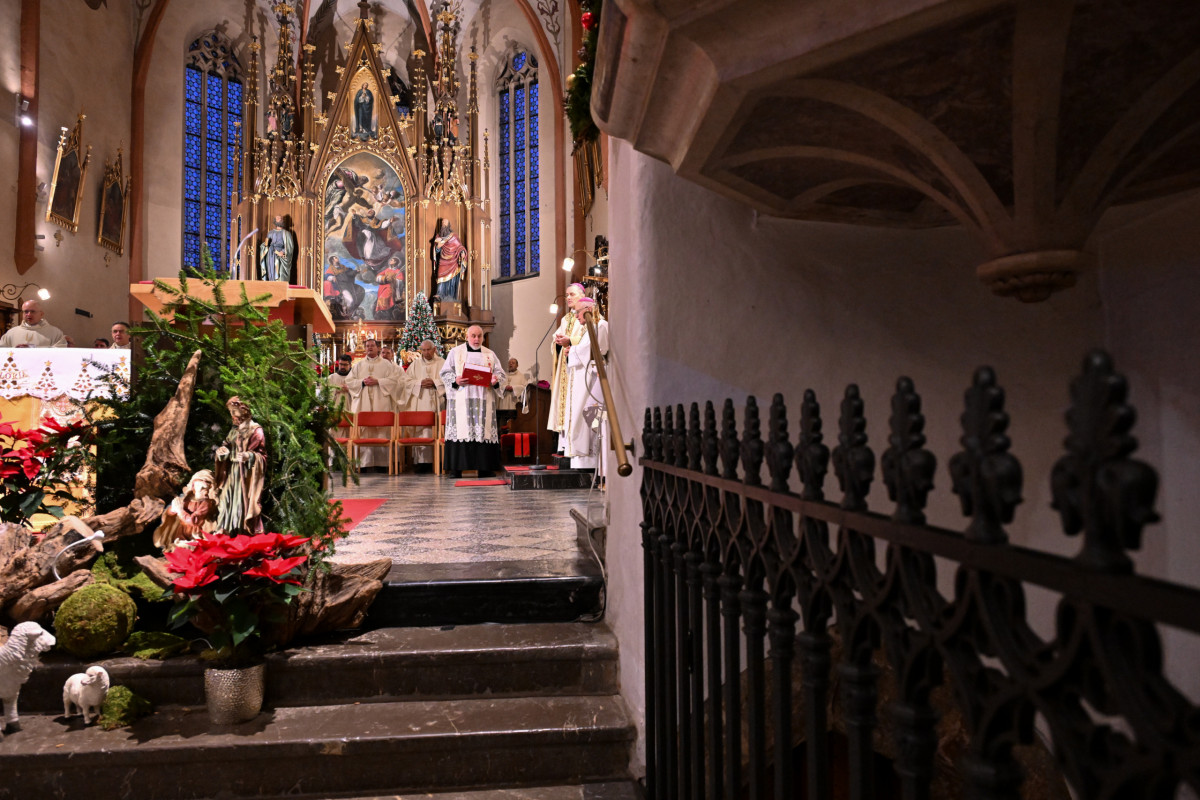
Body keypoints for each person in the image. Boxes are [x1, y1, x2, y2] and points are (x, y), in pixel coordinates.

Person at [440, 325, 505, 477]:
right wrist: (455, 380)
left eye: (479, 336)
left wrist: (495, 379)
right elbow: (445, 372)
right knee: (461, 430)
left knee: (483, 430)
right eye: (473, 336)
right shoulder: (456, 352)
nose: (476, 339)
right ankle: (456, 469)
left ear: (483, 337)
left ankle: (485, 469)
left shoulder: (490, 354)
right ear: (467, 337)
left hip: (483, 399)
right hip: (462, 398)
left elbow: (500, 373)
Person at [345, 338, 406, 471]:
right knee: (364, 431)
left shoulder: (387, 365)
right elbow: (349, 381)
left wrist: (378, 381)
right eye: (367, 346)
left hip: (381, 401)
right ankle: (364, 464)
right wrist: (362, 382)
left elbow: (394, 380)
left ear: (378, 348)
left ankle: (382, 464)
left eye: (372, 345)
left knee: (382, 430)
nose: (370, 348)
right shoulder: (359, 365)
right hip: (363, 402)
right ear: (365, 348)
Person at [563, 298, 610, 470]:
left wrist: (572, 350)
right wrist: (572, 351)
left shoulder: (601, 325)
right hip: (583, 380)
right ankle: (581, 460)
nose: (576, 316)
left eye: (578, 312)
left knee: (588, 418)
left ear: (589, 309)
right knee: (579, 417)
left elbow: (600, 350)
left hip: (593, 381)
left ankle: (591, 461)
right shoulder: (589, 328)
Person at [213, 396, 267, 535]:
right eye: (230, 412)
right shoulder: (234, 430)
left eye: (234, 411)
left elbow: (262, 456)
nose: (232, 415)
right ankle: (223, 529)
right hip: (231, 472)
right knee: (225, 499)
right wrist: (222, 451)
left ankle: (239, 531)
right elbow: (227, 445)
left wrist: (248, 456)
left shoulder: (256, 430)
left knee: (240, 503)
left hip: (245, 475)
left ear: (244, 410)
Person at [547, 283, 587, 440]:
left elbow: (590, 340)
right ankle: (564, 444)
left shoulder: (588, 316)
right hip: (565, 367)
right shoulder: (565, 319)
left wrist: (570, 341)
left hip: (579, 368)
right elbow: (557, 340)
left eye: (572, 294)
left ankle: (575, 442)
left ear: (582, 296)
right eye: (567, 295)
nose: (568, 297)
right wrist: (557, 342)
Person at [403, 339, 445, 471]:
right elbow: (406, 381)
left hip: (437, 401)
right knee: (421, 430)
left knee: (437, 429)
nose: (426, 353)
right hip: (420, 401)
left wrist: (435, 383)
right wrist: (419, 383)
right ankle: (422, 463)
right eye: (424, 350)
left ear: (434, 349)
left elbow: (449, 379)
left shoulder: (442, 363)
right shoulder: (415, 364)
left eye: (428, 350)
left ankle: (438, 461)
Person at [154, 469, 217, 551]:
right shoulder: (186, 498)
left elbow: (195, 520)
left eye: (207, 488)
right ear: (194, 487)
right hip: (181, 529)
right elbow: (171, 513)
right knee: (177, 545)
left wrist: (180, 511)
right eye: (202, 488)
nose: (205, 492)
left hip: (195, 531)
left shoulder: (205, 503)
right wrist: (173, 509)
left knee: (191, 546)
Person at [0, 299, 68, 348]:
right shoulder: (11, 333)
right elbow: (2, 352)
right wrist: (16, 350)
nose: (29, 314)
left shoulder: (55, 332)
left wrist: (33, 350)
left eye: (32, 311)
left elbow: (60, 352)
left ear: (41, 314)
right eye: (26, 311)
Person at [430, 220, 466, 303]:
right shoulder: (438, 236)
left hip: (453, 261)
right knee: (440, 276)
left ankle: (451, 296)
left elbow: (459, 246)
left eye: (445, 224)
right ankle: (439, 294)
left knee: (452, 280)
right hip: (443, 260)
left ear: (449, 225)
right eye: (442, 223)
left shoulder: (454, 236)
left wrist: (462, 252)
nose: (443, 225)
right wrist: (438, 247)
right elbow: (436, 251)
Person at [258, 214, 296, 282]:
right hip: (270, 254)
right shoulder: (270, 233)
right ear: (275, 221)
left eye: (281, 218)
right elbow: (265, 245)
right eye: (278, 218)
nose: (280, 219)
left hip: (280, 256)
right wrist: (265, 245)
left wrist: (283, 252)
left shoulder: (286, 233)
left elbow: (290, 246)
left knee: (279, 273)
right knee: (270, 271)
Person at [497, 357, 530, 432]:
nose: (511, 364)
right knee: (502, 422)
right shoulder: (503, 375)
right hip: (504, 403)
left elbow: (525, 388)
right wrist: (505, 387)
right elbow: (499, 386)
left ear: (517, 365)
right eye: (509, 363)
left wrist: (514, 388)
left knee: (513, 423)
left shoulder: (521, 376)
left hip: (514, 403)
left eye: (513, 363)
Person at [374, 256, 405, 320]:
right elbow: (378, 276)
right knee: (381, 298)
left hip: (391, 287)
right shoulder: (387, 270)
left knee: (384, 298)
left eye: (392, 260)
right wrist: (384, 278)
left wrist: (394, 280)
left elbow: (400, 281)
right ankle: (382, 312)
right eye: (391, 260)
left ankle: (385, 311)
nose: (390, 261)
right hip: (383, 287)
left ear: (395, 262)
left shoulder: (398, 271)